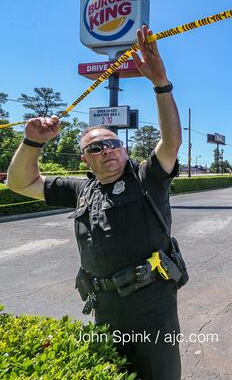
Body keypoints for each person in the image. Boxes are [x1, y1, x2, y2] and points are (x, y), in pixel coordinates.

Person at [7, 25, 183, 380]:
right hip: (104, 307)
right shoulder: (80, 189)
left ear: (125, 149)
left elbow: (170, 141)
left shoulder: (148, 177)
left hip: (153, 309)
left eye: (112, 143)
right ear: (85, 159)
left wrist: (160, 84)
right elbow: (20, 182)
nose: (106, 150)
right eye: (94, 147)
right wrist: (31, 143)